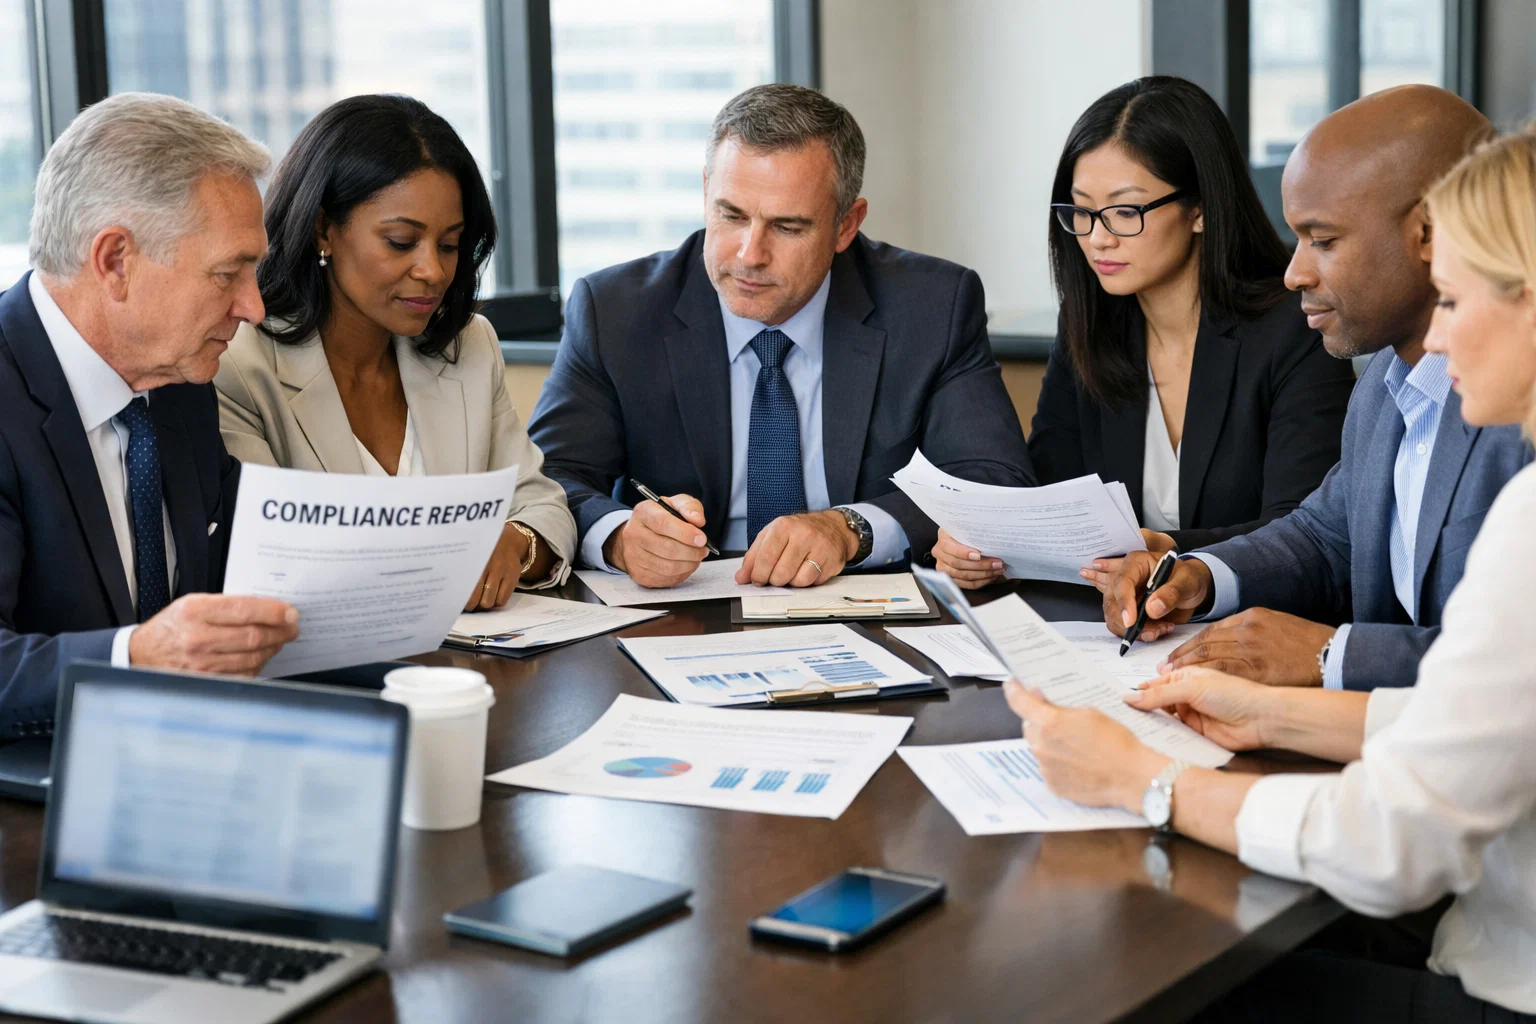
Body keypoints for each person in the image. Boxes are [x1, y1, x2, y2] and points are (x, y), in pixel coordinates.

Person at [1006, 125, 1536, 1022]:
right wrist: (1276, 708)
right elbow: (1492, 706)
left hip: (1503, 968)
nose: (1438, 340)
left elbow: (1393, 842)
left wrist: (1143, 780)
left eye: (1456, 299)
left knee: (1132, 975)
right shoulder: (1386, 386)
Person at [1099, 85, 1531, 691]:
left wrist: (1333, 653)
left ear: (1432, 231)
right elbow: (1324, 535)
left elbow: (1511, 669)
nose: (1294, 272)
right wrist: (1198, 575)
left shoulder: (1516, 403)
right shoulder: (1384, 381)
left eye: (1323, 241)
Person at [527, 83, 1034, 590]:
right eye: (731, 215)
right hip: (681, 609)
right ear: (706, 192)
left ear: (845, 225)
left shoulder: (931, 306)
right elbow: (548, 480)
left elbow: (991, 478)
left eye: (787, 227)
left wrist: (849, 529)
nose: (750, 254)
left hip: (866, 607)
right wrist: (619, 538)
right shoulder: (616, 310)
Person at [933, 77, 1355, 589]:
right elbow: (1049, 497)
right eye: (1082, 211)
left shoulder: (1294, 330)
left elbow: (1305, 533)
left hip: (1246, 625)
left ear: (1198, 208)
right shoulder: (1089, 324)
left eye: (1125, 211)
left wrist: (1173, 552)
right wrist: (981, 547)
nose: (1098, 238)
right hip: (1107, 631)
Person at [0, 93, 300, 736]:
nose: (252, 307)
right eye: (228, 274)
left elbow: (237, 563)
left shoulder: (179, 378)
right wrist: (135, 658)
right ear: (115, 261)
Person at [215, 95, 577, 609]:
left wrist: (516, 543)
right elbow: (278, 558)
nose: (432, 270)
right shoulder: (239, 365)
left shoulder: (469, 345)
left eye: (450, 245)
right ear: (324, 229)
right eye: (402, 242)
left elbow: (542, 503)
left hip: (477, 668)